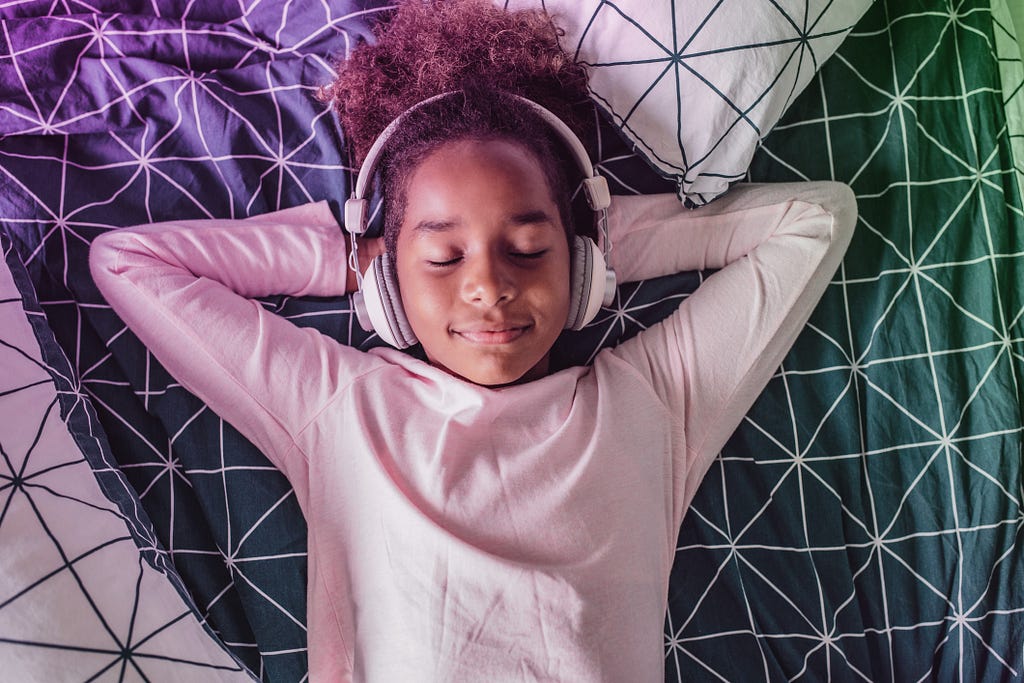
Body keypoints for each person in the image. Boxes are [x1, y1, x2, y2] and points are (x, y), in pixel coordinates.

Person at [89, 0, 856, 680]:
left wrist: (605, 239)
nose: (489, 285)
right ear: (388, 284)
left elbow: (818, 220)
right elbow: (128, 261)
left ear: (582, 267)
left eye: (527, 247)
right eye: (442, 257)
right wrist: (347, 256)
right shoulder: (340, 407)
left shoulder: (654, 401)